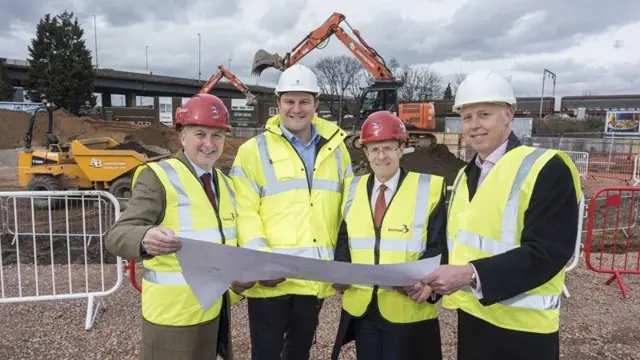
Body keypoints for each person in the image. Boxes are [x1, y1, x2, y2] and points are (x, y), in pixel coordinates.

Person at [411, 70, 582, 360]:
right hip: (474, 319)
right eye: (467, 117)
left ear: (508, 115)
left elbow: (548, 251)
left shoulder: (546, 167)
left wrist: (469, 274)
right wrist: (431, 283)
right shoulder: (466, 175)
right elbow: (459, 242)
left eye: (484, 114)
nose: (474, 126)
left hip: (524, 330)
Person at [105, 93, 243, 360]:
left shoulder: (225, 184)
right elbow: (117, 235)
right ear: (182, 136)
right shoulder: (158, 175)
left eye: (217, 136)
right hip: (173, 317)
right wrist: (145, 237)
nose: (209, 144)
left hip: (214, 309)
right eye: (200, 134)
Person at [229, 63, 353, 360]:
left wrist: (343, 261)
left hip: (312, 277)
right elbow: (244, 210)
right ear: (278, 104)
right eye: (289, 101)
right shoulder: (252, 151)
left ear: (316, 104)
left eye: (304, 101)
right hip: (270, 280)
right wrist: (261, 263)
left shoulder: (337, 150)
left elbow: (349, 208)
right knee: (267, 354)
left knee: (299, 353)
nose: (296, 109)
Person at [329, 111, 446, 360]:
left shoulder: (429, 188)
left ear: (402, 148)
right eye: (374, 149)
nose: (381, 156)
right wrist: (340, 270)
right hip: (364, 309)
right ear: (365, 152)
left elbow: (438, 245)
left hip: (407, 308)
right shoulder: (352, 188)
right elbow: (344, 238)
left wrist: (426, 284)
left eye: (388, 148)